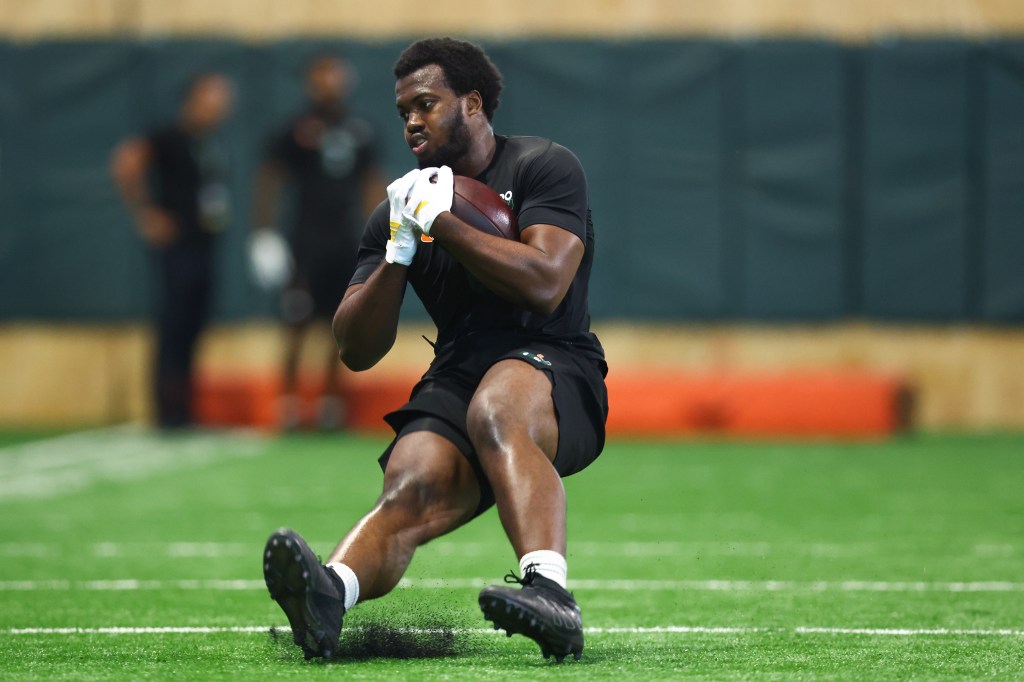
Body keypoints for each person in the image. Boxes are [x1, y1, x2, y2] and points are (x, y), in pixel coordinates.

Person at [262, 38, 608, 663]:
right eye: (403, 112)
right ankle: (329, 595)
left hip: (554, 359)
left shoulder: (544, 165)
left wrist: (444, 222)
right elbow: (355, 348)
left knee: (498, 409)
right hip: (460, 368)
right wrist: (398, 250)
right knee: (410, 481)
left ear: (473, 103)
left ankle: (551, 592)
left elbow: (546, 284)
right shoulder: (398, 209)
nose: (412, 121)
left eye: (427, 103)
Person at [250, 55, 383, 431]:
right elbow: (269, 180)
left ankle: (330, 404)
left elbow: (372, 184)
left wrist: (382, 234)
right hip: (305, 242)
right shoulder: (293, 129)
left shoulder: (362, 129)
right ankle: (289, 404)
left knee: (340, 324)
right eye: (321, 76)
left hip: (346, 242)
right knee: (297, 320)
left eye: (335, 74)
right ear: (309, 82)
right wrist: (264, 233)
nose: (329, 82)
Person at [111, 73, 234, 429]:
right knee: (173, 325)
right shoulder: (167, 136)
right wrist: (145, 213)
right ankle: (165, 412)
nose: (221, 105)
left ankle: (185, 409)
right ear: (194, 99)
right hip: (177, 247)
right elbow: (126, 161)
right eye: (214, 97)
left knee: (195, 327)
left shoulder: (212, 141)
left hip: (205, 244)